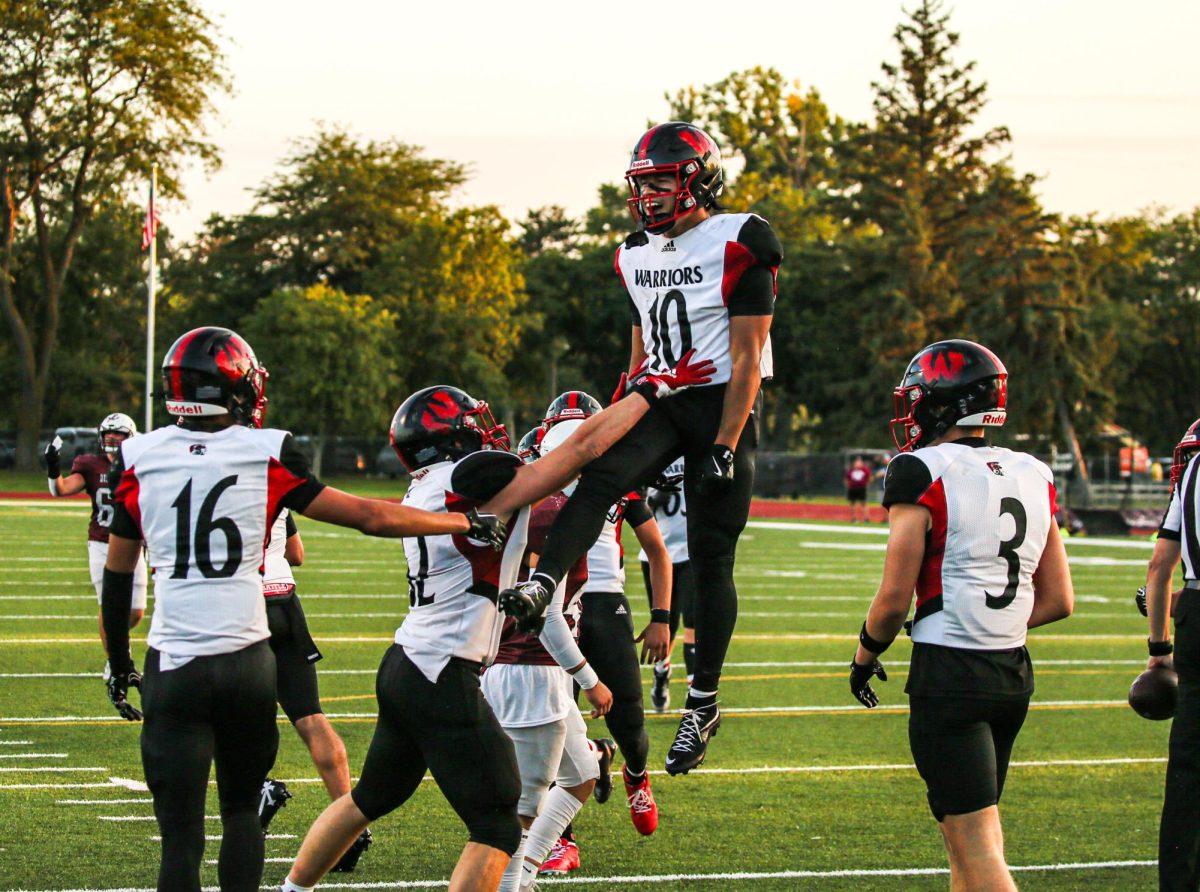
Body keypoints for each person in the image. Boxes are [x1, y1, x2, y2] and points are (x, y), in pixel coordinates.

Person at [279, 353, 713, 892]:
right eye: (473, 425)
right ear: (452, 438)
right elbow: (580, 450)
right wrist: (650, 393)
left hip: (405, 663)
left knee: (368, 799)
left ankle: (291, 889)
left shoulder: (426, 486)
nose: (488, 434)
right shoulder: (473, 480)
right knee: (499, 825)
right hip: (445, 671)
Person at [100, 326, 505, 892]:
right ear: (234, 386)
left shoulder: (137, 456)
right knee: (242, 814)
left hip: (175, 660)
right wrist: (460, 520)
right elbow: (371, 517)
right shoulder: (269, 450)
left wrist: (119, 663)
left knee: (182, 837)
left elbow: (119, 576)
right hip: (247, 658)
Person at [490, 121, 783, 776]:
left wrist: (727, 444)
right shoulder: (633, 254)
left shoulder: (741, 240)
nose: (648, 195)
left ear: (698, 179)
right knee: (601, 479)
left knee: (710, 554)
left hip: (721, 401)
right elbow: (643, 350)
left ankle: (702, 701)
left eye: (660, 181)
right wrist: (623, 406)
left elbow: (747, 358)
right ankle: (541, 585)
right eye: (642, 183)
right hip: (664, 395)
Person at [848, 339, 1073, 892]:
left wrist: (864, 654)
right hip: (1011, 674)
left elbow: (894, 598)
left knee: (976, 847)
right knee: (968, 837)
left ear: (941, 402)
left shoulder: (920, 468)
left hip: (950, 675)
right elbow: (1059, 599)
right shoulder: (1033, 472)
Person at [483, 420, 613, 891]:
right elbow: (548, 614)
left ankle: (529, 872)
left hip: (518, 667)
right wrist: (589, 679)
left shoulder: (534, 502)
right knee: (521, 808)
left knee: (582, 772)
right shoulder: (556, 513)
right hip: (530, 671)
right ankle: (511, 886)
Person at [255, 509, 371, 873]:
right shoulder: (275, 477)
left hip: (240, 601)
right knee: (311, 716)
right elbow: (297, 554)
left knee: (224, 714)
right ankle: (350, 826)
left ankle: (258, 790)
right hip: (285, 600)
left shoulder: (212, 474)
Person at [1143, 415, 1200, 891]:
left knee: (1187, 769)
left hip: (1196, 618)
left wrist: (1159, 650)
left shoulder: (1195, 470)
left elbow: (1161, 566)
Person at [45, 413, 149, 667]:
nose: (112, 438)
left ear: (130, 436)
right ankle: (116, 661)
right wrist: (52, 467)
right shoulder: (91, 464)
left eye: (119, 433)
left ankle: (115, 644)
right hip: (102, 543)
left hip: (133, 544)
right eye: (108, 434)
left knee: (135, 612)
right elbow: (61, 489)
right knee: (110, 606)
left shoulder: (142, 463)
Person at [638, 457, 696, 712]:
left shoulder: (697, 448)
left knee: (695, 621)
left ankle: (695, 697)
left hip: (692, 550)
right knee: (666, 624)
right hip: (656, 551)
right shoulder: (653, 451)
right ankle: (662, 672)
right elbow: (631, 499)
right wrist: (650, 500)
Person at [845, 455, 872, 523]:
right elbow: (847, 478)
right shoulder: (851, 470)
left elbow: (870, 478)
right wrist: (848, 485)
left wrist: (867, 484)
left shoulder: (865, 469)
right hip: (852, 488)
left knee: (863, 502)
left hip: (861, 488)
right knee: (852, 503)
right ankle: (854, 518)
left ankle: (866, 518)